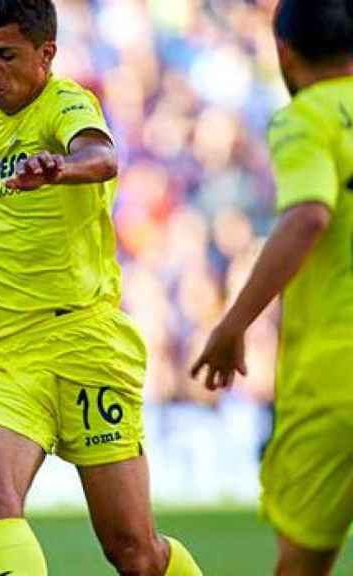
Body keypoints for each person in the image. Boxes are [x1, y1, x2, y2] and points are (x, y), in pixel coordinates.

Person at [0, 2, 203, 575]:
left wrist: (64, 168)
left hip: (83, 344)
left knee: (135, 555)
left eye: (6, 55)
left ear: (46, 54)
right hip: (4, 353)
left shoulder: (65, 104)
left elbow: (101, 155)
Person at [191, 1, 353, 574]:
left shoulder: (307, 116)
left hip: (334, 383)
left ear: (284, 53)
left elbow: (309, 214)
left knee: (302, 565)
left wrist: (231, 325)